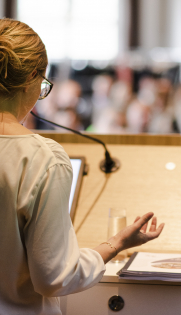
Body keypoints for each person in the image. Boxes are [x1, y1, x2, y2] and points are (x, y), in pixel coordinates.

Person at [0, 18, 164, 315]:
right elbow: (54, 277)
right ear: (32, 79)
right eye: (43, 86)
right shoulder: (43, 158)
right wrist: (115, 243)